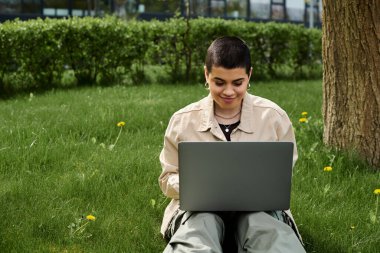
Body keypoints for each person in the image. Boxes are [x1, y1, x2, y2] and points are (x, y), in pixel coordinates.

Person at [159, 36, 306, 253]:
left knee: (265, 230)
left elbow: (282, 176)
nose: (229, 91)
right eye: (219, 82)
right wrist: (195, 188)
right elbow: (167, 178)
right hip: (200, 210)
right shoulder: (182, 120)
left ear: (249, 76)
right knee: (198, 229)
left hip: (258, 210)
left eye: (238, 83)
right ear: (206, 75)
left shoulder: (274, 117)